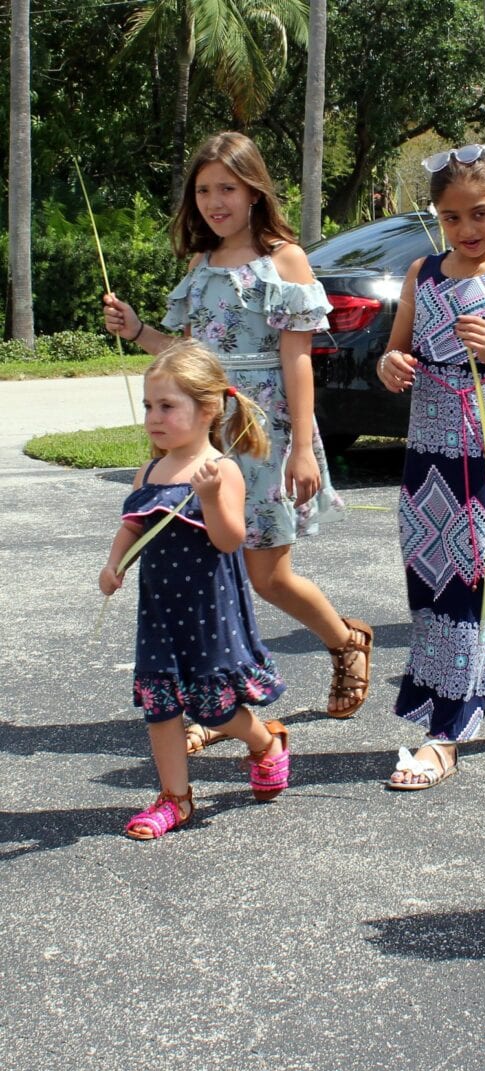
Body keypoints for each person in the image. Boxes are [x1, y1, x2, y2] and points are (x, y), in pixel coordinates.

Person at [102, 132, 373, 740]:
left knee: (266, 574)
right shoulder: (199, 265)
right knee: (208, 571)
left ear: (254, 189)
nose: (214, 201)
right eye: (203, 190)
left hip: (263, 431)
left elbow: (298, 359)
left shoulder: (284, 260)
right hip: (204, 432)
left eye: (226, 187)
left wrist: (302, 447)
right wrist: (139, 328)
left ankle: (346, 640)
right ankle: (220, 704)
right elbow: (186, 356)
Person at [376, 144, 485, 789]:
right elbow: (396, 355)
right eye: (452, 218)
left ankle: (445, 732)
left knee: (471, 578)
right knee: (445, 574)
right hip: (425, 456)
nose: (468, 230)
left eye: (479, 213)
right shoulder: (422, 274)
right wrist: (391, 367)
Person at [100, 341, 290, 839]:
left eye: (167, 406)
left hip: (209, 611)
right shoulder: (150, 470)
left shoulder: (219, 470)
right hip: (160, 611)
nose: (153, 417)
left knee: (216, 706)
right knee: (161, 706)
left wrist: (208, 497)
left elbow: (229, 541)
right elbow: (134, 525)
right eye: (148, 406)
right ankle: (176, 800)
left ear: (207, 410)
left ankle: (265, 743)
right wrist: (114, 563)